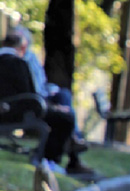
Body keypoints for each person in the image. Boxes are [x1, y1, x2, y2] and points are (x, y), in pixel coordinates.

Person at [0, 31, 94, 177]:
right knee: (65, 117)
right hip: (18, 113)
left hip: (6, 110)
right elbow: (30, 97)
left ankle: (69, 150)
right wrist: (54, 108)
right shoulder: (19, 63)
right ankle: (49, 160)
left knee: (61, 107)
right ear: (23, 47)